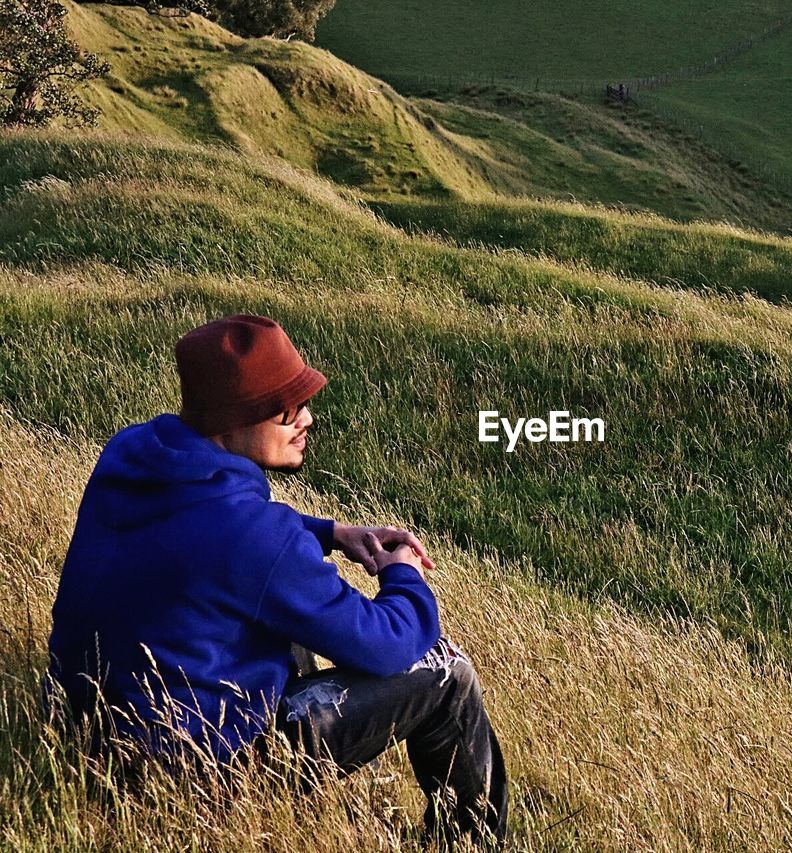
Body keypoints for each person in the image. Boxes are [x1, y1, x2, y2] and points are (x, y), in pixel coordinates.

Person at [45, 314, 507, 846]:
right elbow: (389, 646)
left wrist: (331, 533)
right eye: (287, 409)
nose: (306, 419)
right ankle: (473, 843)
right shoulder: (254, 538)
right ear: (237, 417)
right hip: (191, 781)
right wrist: (403, 574)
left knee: (280, 615)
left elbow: (208, 539)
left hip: (79, 741)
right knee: (446, 672)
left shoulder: (130, 455)